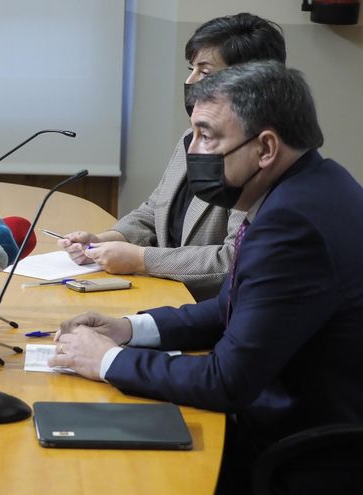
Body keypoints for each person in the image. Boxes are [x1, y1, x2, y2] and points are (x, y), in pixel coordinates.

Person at [49, 61, 363, 493]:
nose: (192, 149)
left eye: (207, 135)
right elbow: (233, 306)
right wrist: (129, 329)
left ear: (265, 148)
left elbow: (226, 381)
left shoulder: (293, 223)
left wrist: (104, 360)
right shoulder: (317, 184)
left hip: (300, 451)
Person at [59, 13, 285, 300]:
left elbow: (233, 259)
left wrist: (141, 259)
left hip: (209, 309)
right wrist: (103, 242)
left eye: (204, 73)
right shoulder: (192, 137)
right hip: (165, 295)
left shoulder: (259, 156)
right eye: (191, 69)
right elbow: (154, 210)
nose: (190, 82)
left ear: (251, 81)